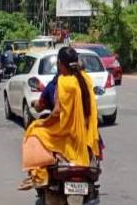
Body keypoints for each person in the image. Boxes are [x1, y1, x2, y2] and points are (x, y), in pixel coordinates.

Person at [19, 46, 100, 190]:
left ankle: (40, 175)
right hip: (85, 132)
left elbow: (57, 112)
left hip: (67, 133)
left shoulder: (64, 82)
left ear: (60, 64)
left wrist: (43, 123)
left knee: (34, 131)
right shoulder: (86, 79)